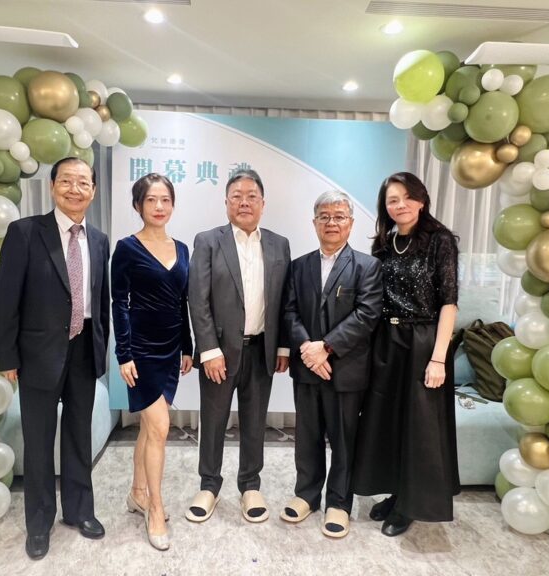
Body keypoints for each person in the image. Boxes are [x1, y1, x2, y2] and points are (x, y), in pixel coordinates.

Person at [0, 157, 110, 560]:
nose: (75, 189)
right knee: (39, 442)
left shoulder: (99, 240)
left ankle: (79, 511)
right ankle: (39, 523)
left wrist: (101, 349)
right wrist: (7, 355)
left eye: (83, 183)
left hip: (84, 350)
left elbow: (101, 301)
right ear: (52, 186)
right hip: (37, 354)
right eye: (67, 181)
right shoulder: (25, 232)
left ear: (93, 191)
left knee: (79, 436)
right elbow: (6, 298)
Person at [353, 171, 460, 537]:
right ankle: (396, 493)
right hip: (386, 340)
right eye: (392, 200)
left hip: (423, 341)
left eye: (406, 197)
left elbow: (449, 303)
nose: (400, 205)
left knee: (419, 427)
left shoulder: (440, 241)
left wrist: (438, 358)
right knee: (388, 422)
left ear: (421, 200)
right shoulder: (383, 244)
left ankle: (410, 505)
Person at [186, 168, 290, 524]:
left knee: (255, 421)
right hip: (219, 353)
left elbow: (283, 299)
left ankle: (250, 485)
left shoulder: (279, 244)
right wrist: (209, 350)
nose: (244, 202)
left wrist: (283, 347)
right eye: (237, 196)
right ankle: (209, 485)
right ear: (226, 202)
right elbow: (197, 299)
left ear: (263, 203)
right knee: (213, 420)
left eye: (251, 196)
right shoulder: (208, 241)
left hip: (262, 350)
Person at [281, 191, 382, 539]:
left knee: (343, 439)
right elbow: (289, 311)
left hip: (345, 369)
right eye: (324, 216)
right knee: (306, 436)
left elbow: (367, 315)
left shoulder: (367, 267)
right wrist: (308, 350)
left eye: (339, 216)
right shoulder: (299, 266)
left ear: (350, 223)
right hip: (307, 368)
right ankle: (306, 494)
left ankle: (339, 503)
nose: (331, 223)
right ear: (314, 223)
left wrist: (326, 348)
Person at [111, 173, 192, 551]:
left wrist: (188, 346)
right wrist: (124, 354)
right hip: (141, 351)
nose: (159, 207)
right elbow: (119, 304)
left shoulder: (183, 249)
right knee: (160, 428)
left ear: (172, 204)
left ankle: (137, 493)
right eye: (151, 200)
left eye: (165, 200)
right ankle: (155, 509)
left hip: (171, 349)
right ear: (138, 205)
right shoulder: (127, 248)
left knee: (148, 428)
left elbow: (182, 302)